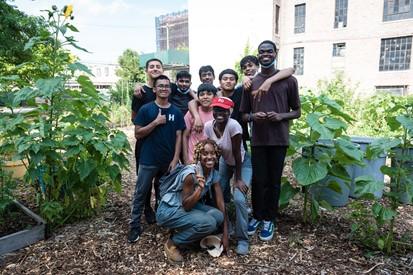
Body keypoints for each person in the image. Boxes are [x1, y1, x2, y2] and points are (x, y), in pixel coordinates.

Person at [240, 40, 301, 242]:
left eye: (269, 51)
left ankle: (269, 218)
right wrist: (253, 117)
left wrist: (280, 116)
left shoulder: (289, 81)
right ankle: (257, 216)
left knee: (274, 181)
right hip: (258, 139)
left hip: (279, 139)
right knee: (259, 180)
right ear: (258, 55)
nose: (265, 54)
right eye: (261, 52)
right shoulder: (250, 83)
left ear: (275, 53)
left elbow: (297, 112)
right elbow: (243, 115)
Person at [128, 75, 186, 243]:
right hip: (148, 159)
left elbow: (179, 137)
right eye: (160, 86)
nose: (164, 88)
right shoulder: (146, 109)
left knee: (165, 193)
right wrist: (155, 122)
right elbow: (137, 134)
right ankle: (134, 226)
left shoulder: (175, 111)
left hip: (166, 162)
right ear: (154, 89)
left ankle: (165, 221)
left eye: (167, 86)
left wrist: (175, 159)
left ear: (170, 89)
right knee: (141, 193)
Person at [156, 139, 228, 264]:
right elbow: (187, 206)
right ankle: (173, 243)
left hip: (183, 207)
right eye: (205, 153)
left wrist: (226, 234)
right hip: (168, 210)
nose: (209, 157)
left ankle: (192, 237)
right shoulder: (191, 174)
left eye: (212, 153)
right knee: (209, 223)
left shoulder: (213, 174)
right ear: (199, 156)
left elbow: (220, 202)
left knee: (218, 216)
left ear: (217, 155)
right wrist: (199, 188)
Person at [204, 97, 252, 255]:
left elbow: (238, 155)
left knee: (239, 198)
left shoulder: (234, 125)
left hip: (242, 163)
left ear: (229, 112)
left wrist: (238, 179)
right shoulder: (208, 127)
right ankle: (227, 227)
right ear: (213, 111)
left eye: (224, 110)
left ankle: (243, 239)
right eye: (217, 109)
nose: (220, 113)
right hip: (225, 162)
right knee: (218, 193)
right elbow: (212, 152)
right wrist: (211, 175)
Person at [131, 58, 164, 225]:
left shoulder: (167, 88)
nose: (155, 68)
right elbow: (134, 118)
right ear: (146, 70)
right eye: (152, 66)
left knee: (162, 178)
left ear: (163, 69)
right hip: (145, 142)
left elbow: (187, 91)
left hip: (164, 141)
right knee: (144, 181)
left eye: (158, 66)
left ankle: (161, 206)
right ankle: (146, 209)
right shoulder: (140, 92)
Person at [182, 83, 217, 164]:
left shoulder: (218, 114)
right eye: (201, 94)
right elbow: (185, 136)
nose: (205, 97)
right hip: (193, 160)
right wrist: (186, 159)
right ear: (198, 97)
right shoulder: (191, 113)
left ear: (215, 97)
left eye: (209, 94)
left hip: (212, 160)